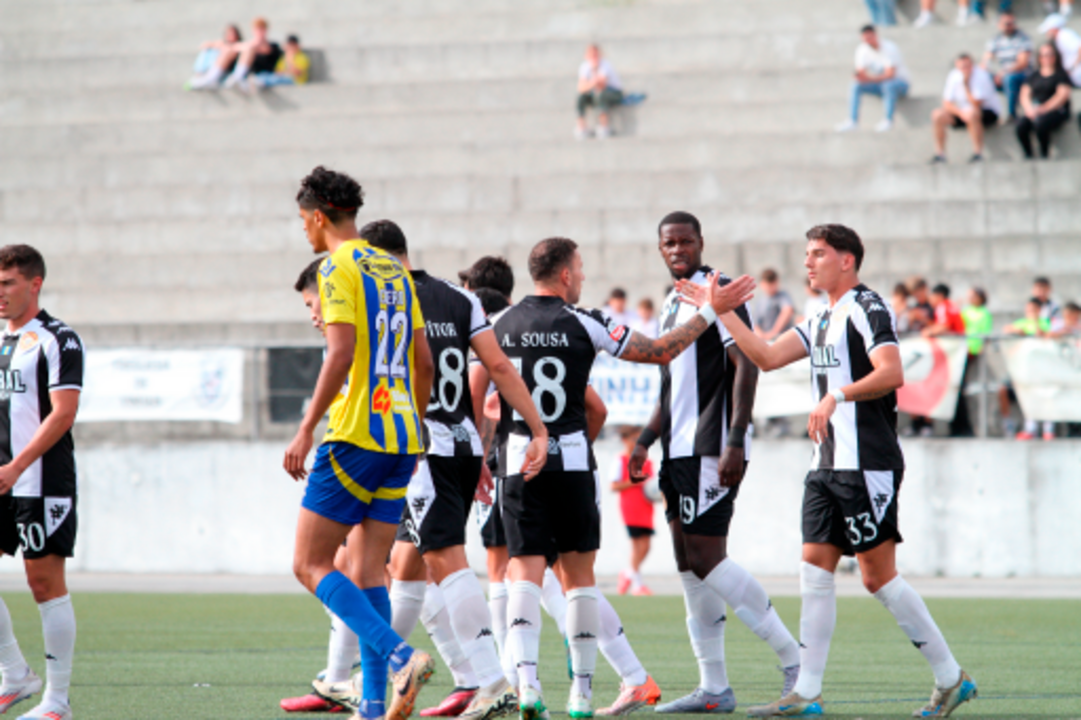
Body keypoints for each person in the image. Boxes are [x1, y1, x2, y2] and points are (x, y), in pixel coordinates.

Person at [678, 224, 977, 719]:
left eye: (818, 254)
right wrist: (720, 310)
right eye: (806, 254)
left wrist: (835, 394)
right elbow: (767, 357)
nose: (808, 262)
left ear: (847, 260)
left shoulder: (867, 306)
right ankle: (806, 694)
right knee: (813, 568)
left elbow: (892, 372)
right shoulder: (819, 316)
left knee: (878, 577)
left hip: (866, 464)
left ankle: (951, 679)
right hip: (825, 464)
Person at [495, 236, 740, 720]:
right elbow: (661, 350)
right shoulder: (587, 322)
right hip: (570, 460)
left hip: (520, 459)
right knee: (579, 578)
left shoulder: (500, 323)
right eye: (580, 268)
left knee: (522, 571)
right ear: (565, 274)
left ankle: (526, 687)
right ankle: (582, 696)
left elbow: (484, 383)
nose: (583, 277)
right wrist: (711, 312)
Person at [362, 219, 549, 720]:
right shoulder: (459, 297)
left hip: (422, 449)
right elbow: (501, 369)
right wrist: (536, 427)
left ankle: (490, 679)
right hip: (463, 444)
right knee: (408, 564)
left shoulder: (384, 297)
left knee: (444, 558)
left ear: (375, 255)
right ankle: (381, 678)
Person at [629, 212, 801, 715]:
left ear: (700, 242)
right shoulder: (671, 302)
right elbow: (672, 383)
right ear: (660, 249)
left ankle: (796, 662)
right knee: (687, 564)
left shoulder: (718, 291)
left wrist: (735, 437)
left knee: (707, 557)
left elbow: (747, 362)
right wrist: (644, 439)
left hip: (711, 446)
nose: (678, 248)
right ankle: (714, 688)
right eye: (669, 242)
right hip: (676, 450)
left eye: (686, 240)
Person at [283, 166, 436, 720]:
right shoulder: (393, 269)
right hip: (400, 436)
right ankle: (373, 707)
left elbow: (341, 352)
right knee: (370, 572)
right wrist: (413, 426)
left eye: (304, 220)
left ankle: (399, 655)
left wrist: (306, 426)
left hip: (354, 433)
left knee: (309, 563)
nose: (304, 230)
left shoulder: (336, 267)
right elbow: (423, 361)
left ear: (319, 217)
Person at [0, 245, 83, 720]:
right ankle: (15, 675)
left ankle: (57, 701)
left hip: (41, 479)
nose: (1, 293)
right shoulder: (2, 340)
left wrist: (17, 466)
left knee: (44, 582)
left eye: (9, 283)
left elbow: (63, 414)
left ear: (35, 283)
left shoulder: (58, 339)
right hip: (4, 477)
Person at [281, 258, 363, 715]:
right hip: (389, 448)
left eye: (314, 303)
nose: (313, 313)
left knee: (320, 564)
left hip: (360, 450)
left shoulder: (347, 340)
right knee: (351, 566)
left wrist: (308, 429)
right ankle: (340, 681)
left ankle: (399, 657)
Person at [931, 53, 1002, 164]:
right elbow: (946, 102)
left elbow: (976, 103)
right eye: (961, 67)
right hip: (964, 112)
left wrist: (966, 84)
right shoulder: (953, 75)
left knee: (972, 113)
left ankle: (978, 153)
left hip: (987, 112)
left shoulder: (981, 75)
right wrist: (960, 113)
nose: (965, 69)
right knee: (937, 114)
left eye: (967, 66)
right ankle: (940, 154)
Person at [837, 25, 910, 133]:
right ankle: (853, 121)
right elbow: (861, 73)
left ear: (876, 35)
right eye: (866, 38)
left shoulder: (889, 47)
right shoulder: (862, 50)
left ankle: (888, 120)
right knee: (855, 85)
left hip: (900, 83)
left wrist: (869, 78)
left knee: (888, 84)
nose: (868, 41)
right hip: (879, 84)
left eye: (870, 37)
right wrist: (860, 77)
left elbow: (891, 74)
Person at [611, 426, 656, 597]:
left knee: (646, 546)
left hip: (646, 506)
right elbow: (614, 485)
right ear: (625, 440)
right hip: (630, 506)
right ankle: (638, 584)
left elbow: (652, 485)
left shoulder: (647, 462)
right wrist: (633, 481)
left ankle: (628, 573)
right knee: (637, 545)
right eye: (633, 439)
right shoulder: (620, 460)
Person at [922, 284, 972, 437]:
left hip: (954, 355)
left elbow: (944, 326)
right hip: (959, 352)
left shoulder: (943, 307)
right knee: (957, 391)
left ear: (939, 296)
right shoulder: (951, 307)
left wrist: (927, 332)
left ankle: (960, 428)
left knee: (954, 391)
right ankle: (961, 428)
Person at [1002, 298, 1054, 440]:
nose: (1029, 313)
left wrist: (1036, 322)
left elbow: (1043, 335)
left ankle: (1047, 428)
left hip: (1042, 367)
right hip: (1025, 367)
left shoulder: (1046, 322)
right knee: (1026, 394)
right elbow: (1006, 329)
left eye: (1032, 310)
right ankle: (1029, 427)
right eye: (1028, 310)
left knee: (1045, 394)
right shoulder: (1023, 323)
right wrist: (1019, 330)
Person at [1016, 43, 1072, 158]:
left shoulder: (1061, 75)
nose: (1047, 58)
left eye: (1050, 55)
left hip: (1056, 111)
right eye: (1044, 55)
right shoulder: (1033, 76)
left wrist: (1043, 109)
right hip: (1036, 110)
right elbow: (1024, 94)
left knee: (1041, 124)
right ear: (1039, 57)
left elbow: (1061, 96)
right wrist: (1029, 109)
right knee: (1021, 125)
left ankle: (1044, 155)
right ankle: (1028, 155)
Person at [982, 11, 1033, 120]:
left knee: (1010, 79)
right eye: (1006, 23)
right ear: (999, 24)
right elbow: (987, 59)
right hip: (1001, 74)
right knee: (982, 77)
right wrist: (993, 72)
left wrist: (1004, 72)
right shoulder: (995, 40)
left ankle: (1011, 114)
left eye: (1011, 23)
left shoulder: (1023, 38)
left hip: (1020, 74)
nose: (1009, 26)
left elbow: (1022, 63)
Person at [575, 45, 624, 140]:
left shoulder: (605, 65)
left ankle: (604, 126)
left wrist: (593, 73)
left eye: (595, 54)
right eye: (591, 55)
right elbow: (581, 88)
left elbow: (602, 86)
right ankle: (581, 127)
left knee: (601, 95)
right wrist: (593, 81)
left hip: (614, 93)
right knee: (581, 97)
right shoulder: (584, 66)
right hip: (596, 93)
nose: (594, 57)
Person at [223, 17, 283, 92]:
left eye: (262, 29)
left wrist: (254, 46)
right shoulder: (248, 45)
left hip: (266, 75)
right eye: (257, 29)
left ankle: (237, 78)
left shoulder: (273, 46)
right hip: (251, 76)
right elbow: (233, 47)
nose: (259, 32)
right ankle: (236, 77)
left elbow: (267, 51)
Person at [185, 24, 243, 90]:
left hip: (226, 72)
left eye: (233, 34)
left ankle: (203, 80)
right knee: (208, 50)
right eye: (229, 34)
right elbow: (205, 44)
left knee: (226, 51)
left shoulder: (238, 46)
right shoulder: (223, 43)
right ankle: (199, 74)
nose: (230, 36)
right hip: (214, 68)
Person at [1039, 13, 1081, 87]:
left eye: (1048, 30)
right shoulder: (1060, 37)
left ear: (1054, 28)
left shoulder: (1065, 35)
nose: (1047, 33)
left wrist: (1072, 68)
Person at [754, 269, 796, 341]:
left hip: (782, 339)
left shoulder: (782, 296)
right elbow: (756, 324)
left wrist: (774, 333)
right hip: (766, 340)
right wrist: (761, 335)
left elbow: (787, 311)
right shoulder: (761, 301)